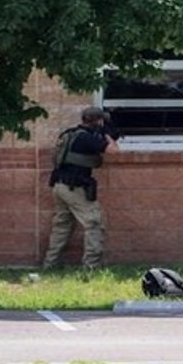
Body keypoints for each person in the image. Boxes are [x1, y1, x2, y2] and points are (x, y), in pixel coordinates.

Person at [43, 107, 119, 270]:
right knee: (94, 223)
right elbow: (113, 150)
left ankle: (51, 263)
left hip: (59, 185)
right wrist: (108, 135)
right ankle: (91, 267)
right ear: (98, 121)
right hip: (74, 188)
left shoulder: (69, 134)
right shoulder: (86, 138)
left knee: (62, 225)